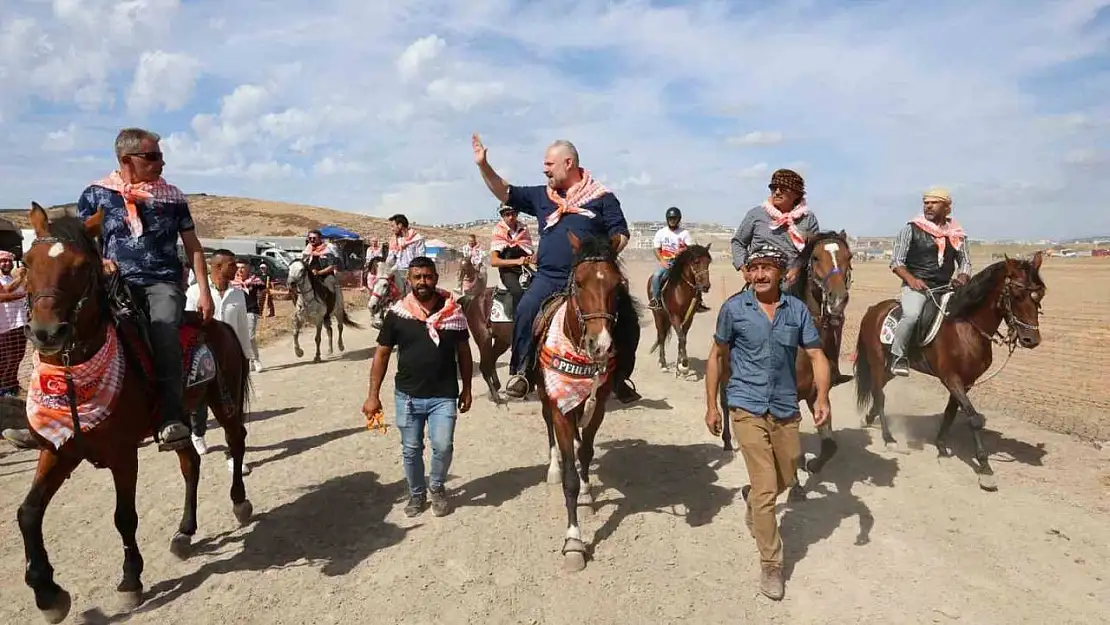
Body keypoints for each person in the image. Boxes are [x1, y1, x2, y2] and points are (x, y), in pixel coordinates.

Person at [704, 244, 831, 601]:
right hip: (746, 405)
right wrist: (712, 406)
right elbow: (716, 357)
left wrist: (822, 397)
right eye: (753, 268)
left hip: (785, 406)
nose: (759, 274)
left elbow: (817, 356)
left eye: (767, 268)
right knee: (764, 486)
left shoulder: (798, 310)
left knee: (788, 475)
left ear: (781, 272)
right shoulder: (734, 310)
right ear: (746, 273)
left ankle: (752, 503)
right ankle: (771, 564)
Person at [76, 127, 215, 452]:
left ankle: (170, 417)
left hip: (162, 283)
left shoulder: (173, 196)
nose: (161, 163)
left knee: (164, 331)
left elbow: (193, 247)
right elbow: (81, 243)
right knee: (74, 327)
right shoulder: (95, 194)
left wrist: (204, 290)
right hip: (113, 283)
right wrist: (99, 263)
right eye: (152, 157)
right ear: (126, 159)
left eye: (161, 156)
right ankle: (59, 410)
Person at [361, 256, 472, 518]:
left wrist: (467, 388)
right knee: (411, 450)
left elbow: (464, 353)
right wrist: (372, 395)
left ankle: (436, 487)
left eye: (428, 276)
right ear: (409, 280)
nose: (423, 282)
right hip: (408, 397)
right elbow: (382, 355)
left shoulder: (453, 311)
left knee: (443, 446)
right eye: (417, 277)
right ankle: (416, 493)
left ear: (435, 278)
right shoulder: (397, 314)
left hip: (443, 396)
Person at [888, 187, 971, 376]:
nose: (928, 206)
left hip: (946, 288)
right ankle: (898, 356)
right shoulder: (910, 229)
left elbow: (965, 262)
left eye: (934, 203)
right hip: (917, 288)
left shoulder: (957, 234)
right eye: (926, 203)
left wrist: (963, 276)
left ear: (947, 207)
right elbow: (896, 262)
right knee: (912, 315)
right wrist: (912, 280)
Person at [185, 250, 253, 472]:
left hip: (230, 360)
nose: (238, 269)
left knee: (232, 409)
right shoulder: (195, 293)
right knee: (200, 404)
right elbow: (187, 331)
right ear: (217, 267)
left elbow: (242, 328)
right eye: (232, 265)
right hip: (203, 360)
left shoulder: (239, 294)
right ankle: (198, 432)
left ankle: (232, 454)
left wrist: (245, 358)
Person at [730, 168, 820, 289]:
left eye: (783, 189)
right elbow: (738, 242)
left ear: (796, 194)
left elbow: (814, 251)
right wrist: (744, 269)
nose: (777, 192)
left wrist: (797, 269)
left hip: (795, 284)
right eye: (773, 188)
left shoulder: (808, 218)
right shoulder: (756, 214)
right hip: (760, 280)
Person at [648, 206, 709, 313]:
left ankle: (699, 301)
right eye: (670, 219)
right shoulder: (661, 233)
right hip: (666, 261)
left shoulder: (684, 233)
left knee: (696, 276)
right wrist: (662, 261)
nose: (672, 221)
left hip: (681, 262)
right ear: (667, 219)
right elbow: (656, 249)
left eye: (674, 218)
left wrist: (682, 250)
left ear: (678, 219)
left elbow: (691, 249)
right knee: (656, 276)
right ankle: (656, 300)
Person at [489, 204, 535, 317]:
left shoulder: (523, 229)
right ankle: (518, 325)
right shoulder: (498, 231)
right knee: (518, 293)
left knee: (543, 286)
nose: (510, 217)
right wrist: (516, 261)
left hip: (525, 269)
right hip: (507, 272)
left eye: (513, 214)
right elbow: (494, 261)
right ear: (502, 216)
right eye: (507, 214)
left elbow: (529, 250)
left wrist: (531, 259)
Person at [0, 252, 28, 397]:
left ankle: (12, 385)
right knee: (5, 359)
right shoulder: (5, 279)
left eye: (8, 261)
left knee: (17, 357)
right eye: (3, 261)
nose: (6, 264)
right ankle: (4, 389)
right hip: (4, 326)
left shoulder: (12, 278)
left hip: (19, 323)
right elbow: (4, 293)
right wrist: (20, 280)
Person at [232, 260, 266, 373]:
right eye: (238, 267)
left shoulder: (255, 281)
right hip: (236, 311)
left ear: (248, 269)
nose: (240, 270)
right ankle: (247, 360)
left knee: (250, 336)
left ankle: (256, 360)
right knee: (239, 337)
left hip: (251, 310)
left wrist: (261, 305)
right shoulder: (231, 282)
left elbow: (264, 292)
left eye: (243, 267)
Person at [385, 214, 426, 296]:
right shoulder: (395, 240)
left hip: (413, 272)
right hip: (399, 271)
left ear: (400, 225)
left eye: (393, 226)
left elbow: (420, 259)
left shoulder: (417, 239)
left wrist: (411, 271)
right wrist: (393, 249)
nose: (392, 229)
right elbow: (389, 262)